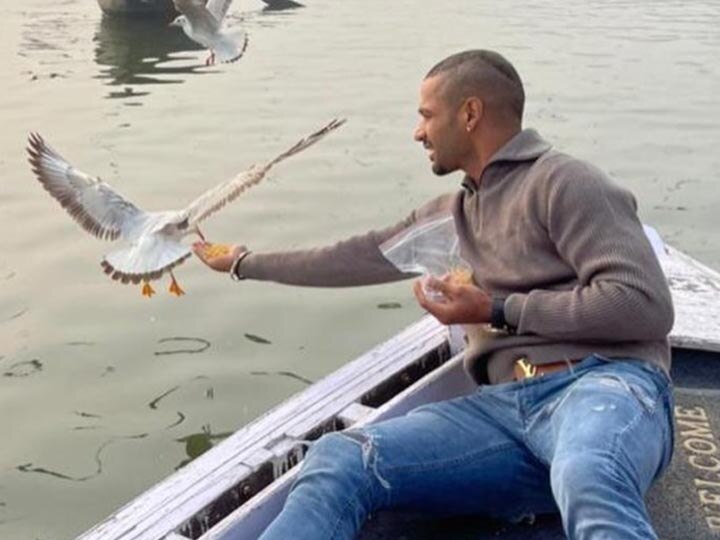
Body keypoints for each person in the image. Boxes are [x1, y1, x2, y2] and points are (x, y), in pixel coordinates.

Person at [192, 49, 674, 540]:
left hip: (603, 388)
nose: (417, 132)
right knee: (341, 458)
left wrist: (496, 310)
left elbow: (644, 304)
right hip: (505, 417)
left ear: (469, 114)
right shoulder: (452, 214)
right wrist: (243, 263)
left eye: (426, 115)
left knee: (587, 472)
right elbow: (355, 257)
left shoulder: (565, 181)